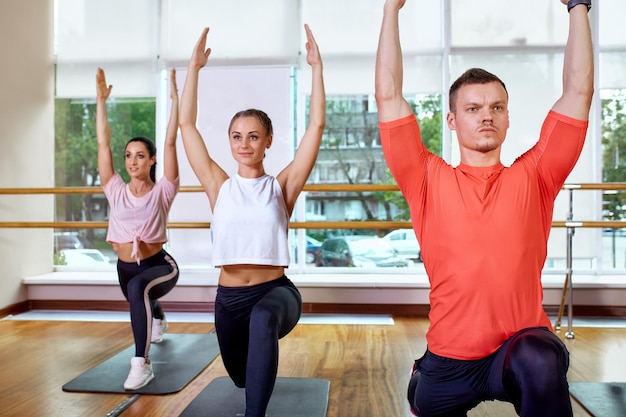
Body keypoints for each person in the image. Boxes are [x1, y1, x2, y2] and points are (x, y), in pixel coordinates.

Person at [375, 0, 593, 416]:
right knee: (424, 402)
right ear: (453, 120)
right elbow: (388, 96)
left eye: (496, 107)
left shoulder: (536, 175)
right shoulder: (426, 178)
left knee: (540, 356)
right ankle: (421, 375)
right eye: (473, 109)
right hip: (450, 360)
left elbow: (578, 92)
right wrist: (391, 9)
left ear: (508, 117)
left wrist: (578, 6)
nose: (486, 117)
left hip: (517, 352)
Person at [178, 24, 325, 417]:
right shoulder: (218, 186)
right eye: (237, 136)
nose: (245, 144)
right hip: (229, 300)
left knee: (262, 322)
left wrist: (316, 69)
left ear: (268, 141)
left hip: (275, 294)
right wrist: (193, 68)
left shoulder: (282, 187)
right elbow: (186, 127)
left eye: (254, 136)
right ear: (229, 142)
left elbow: (316, 128)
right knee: (241, 377)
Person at [96, 67, 181, 390]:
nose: (133, 161)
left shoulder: (164, 190)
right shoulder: (115, 189)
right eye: (129, 156)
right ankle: (158, 318)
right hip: (124, 267)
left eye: (140, 156)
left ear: (152, 161)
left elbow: (171, 142)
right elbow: (103, 146)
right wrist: (101, 101)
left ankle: (141, 364)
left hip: (160, 267)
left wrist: (174, 100)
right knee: (138, 297)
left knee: (138, 291)